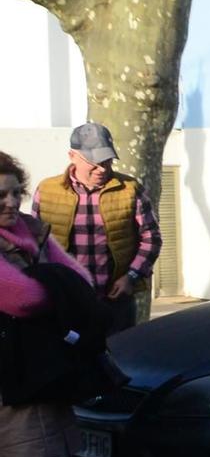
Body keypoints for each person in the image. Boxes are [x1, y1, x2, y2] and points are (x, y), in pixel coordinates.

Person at [0, 151, 90, 457]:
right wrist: (60, 289)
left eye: (16, 192)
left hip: (43, 369)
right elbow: (22, 298)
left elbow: (82, 279)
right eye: (0, 195)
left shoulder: (32, 231)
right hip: (8, 379)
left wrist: (58, 286)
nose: (11, 202)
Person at [32, 122, 161, 333]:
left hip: (116, 301)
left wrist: (131, 276)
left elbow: (151, 238)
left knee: (118, 360)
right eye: (94, 161)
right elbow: (35, 243)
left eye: (108, 160)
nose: (103, 168)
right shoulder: (46, 190)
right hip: (67, 300)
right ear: (72, 156)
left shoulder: (130, 189)